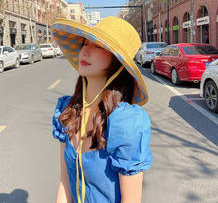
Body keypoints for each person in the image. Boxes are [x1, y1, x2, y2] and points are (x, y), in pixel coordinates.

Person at [52, 16, 153, 203]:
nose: (85, 51)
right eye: (85, 43)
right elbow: (65, 183)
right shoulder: (69, 111)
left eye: (98, 46)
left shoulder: (125, 123)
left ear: (117, 61)